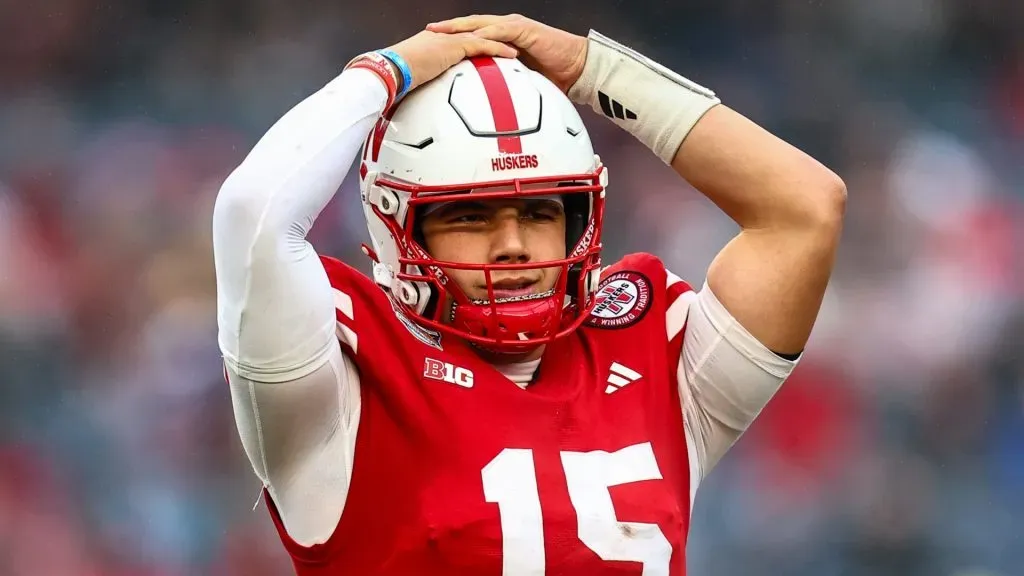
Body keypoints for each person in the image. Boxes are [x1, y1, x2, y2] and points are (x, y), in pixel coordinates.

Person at [212, 13, 845, 576]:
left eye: (541, 211)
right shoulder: (348, 378)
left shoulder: (649, 348)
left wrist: (592, 68)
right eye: (469, 216)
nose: (513, 245)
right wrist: (383, 73)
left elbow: (805, 209)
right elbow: (252, 214)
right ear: (394, 222)